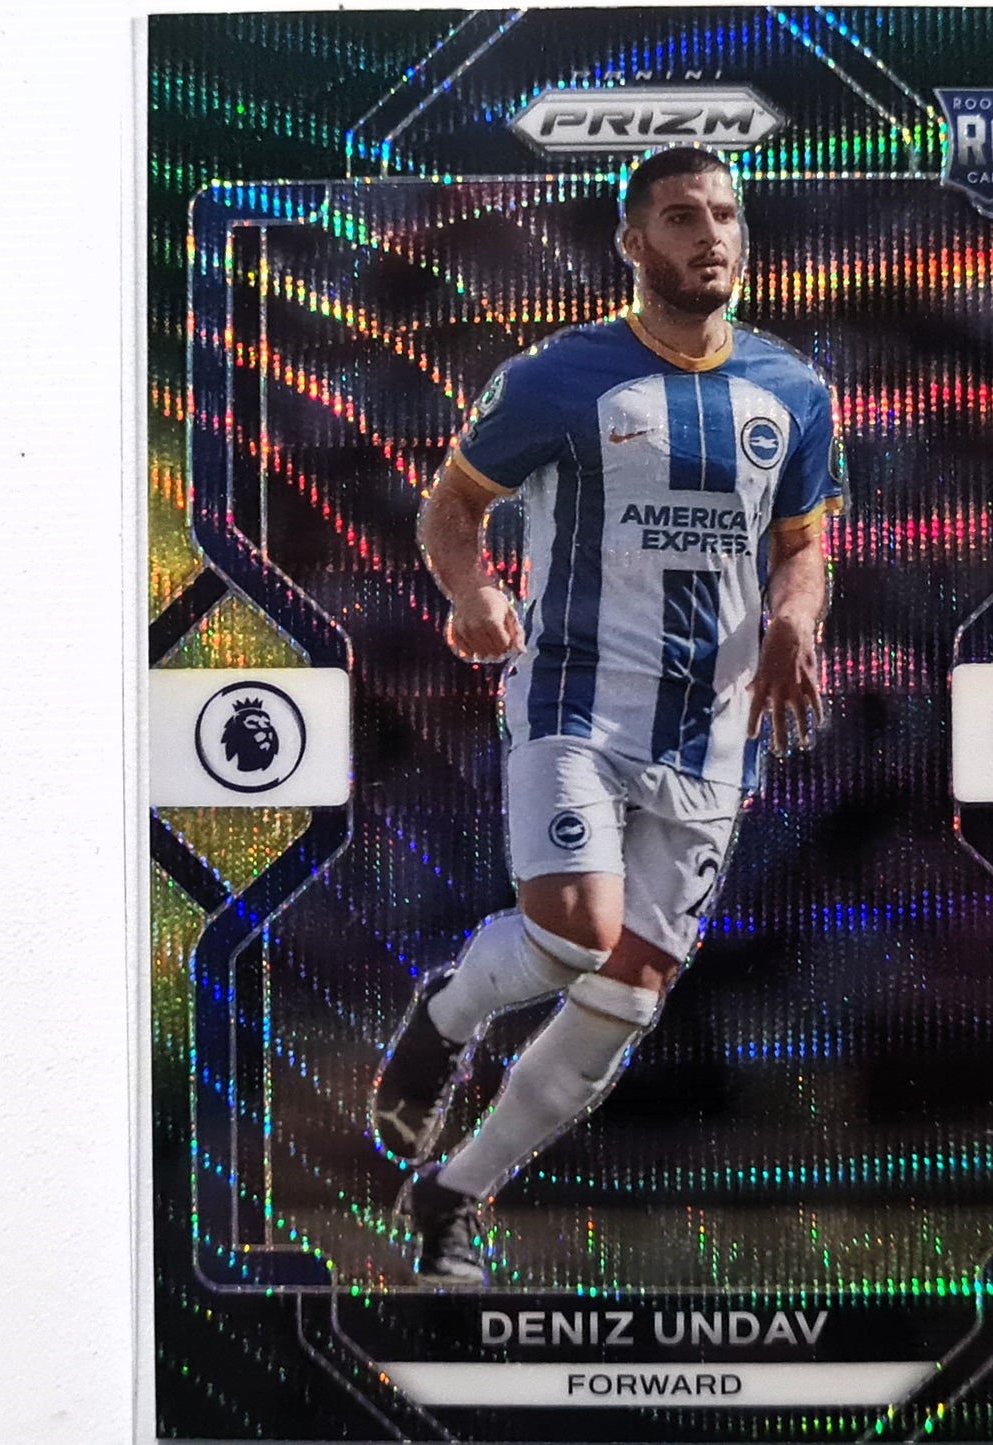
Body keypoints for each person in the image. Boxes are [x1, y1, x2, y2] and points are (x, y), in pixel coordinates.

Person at [371, 145, 844, 1281]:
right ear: (632, 242)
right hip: (575, 700)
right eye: (680, 216)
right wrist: (472, 591)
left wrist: (795, 618)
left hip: (714, 724)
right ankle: (447, 1014)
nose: (709, 235)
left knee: (627, 990)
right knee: (575, 932)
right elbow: (452, 506)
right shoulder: (559, 376)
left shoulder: (791, 389)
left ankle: (451, 1195)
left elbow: (803, 545)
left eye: (723, 214)